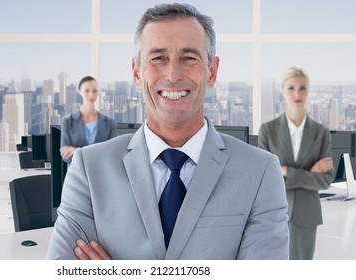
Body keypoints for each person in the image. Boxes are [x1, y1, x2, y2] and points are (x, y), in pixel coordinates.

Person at [47, 3, 289, 260]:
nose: (173, 75)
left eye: (189, 58)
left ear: (212, 71)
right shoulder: (89, 168)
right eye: (158, 58)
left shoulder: (260, 171)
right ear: (137, 72)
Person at [258, 66, 333, 260]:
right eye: (291, 88)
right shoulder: (268, 131)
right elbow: (265, 181)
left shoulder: (320, 133)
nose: (297, 94)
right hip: (273, 213)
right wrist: (310, 174)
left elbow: (325, 181)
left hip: (307, 216)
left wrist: (286, 172)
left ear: (309, 91)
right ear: (282, 90)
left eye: (303, 88)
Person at [59, 76, 118, 164]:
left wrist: (76, 151)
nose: (91, 95)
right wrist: (98, 154)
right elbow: (66, 155)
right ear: (80, 92)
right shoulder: (68, 121)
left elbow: (114, 152)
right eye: (87, 91)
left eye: (94, 91)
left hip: (101, 175)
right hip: (77, 175)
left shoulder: (109, 123)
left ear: (98, 93)